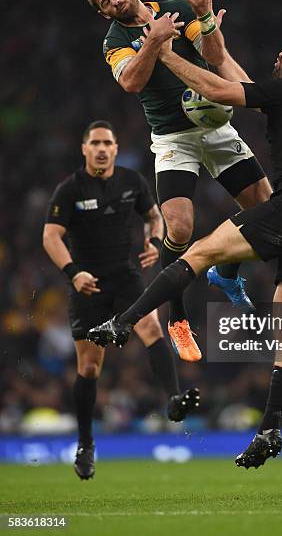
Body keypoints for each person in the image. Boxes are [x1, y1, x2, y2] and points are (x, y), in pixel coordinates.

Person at [87, 27, 282, 467]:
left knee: (198, 251)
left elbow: (216, 88)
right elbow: (234, 75)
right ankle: (270, 428)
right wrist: (209, 25)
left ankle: (123, 322)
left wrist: (165, 52)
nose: (281, 51)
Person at [84, 0, 273, 360]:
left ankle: (228, 274)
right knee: (181, 226)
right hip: (173, 138)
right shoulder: (115, 41)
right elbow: (132, 82)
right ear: (103, 14)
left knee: (266, 213)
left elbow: (213, 55)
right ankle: (178, 318)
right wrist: (153, 41)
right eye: (104, 3)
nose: (113, 2)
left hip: (217, 126)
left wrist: (204, 19)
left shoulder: (174, 10)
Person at [43, 120, 199, 481]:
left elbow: (153, 216)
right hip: (88, 284)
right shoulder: (69, 190)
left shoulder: (132, 181)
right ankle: (85, 443)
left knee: (149, 324)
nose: (101, 148)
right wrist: (73, 272)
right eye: (94, 142)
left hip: (125, 275)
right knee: (90, 367)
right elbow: (50, 237)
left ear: (115, 149)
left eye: (107, 143)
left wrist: (153, 240)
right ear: (84, 149)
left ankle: (174, 399)